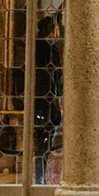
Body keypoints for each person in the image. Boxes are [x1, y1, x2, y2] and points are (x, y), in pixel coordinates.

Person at [34, 15, 63, 184]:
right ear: (51, 30)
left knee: (42, 143)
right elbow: (50, 77)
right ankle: (40, 180)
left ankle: (41, 178)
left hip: (43, 100)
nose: (58, 31)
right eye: (56, 28)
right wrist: (56, 102)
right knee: (43, 143)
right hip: (45, 103)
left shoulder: (40, 47)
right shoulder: (48, 50)